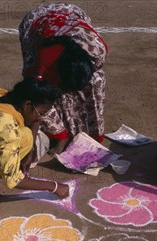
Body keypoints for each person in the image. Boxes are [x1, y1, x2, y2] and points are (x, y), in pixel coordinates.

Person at [19, 3, 108, 156]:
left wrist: (94, 130)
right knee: (44, 94)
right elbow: (37, 98)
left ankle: (91, 132)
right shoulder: (43, 65)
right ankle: (61, 135)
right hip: (35, 22)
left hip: (71, 13)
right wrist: (58, 135)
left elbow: (93, 87)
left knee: (95, 83)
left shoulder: (97, 51)